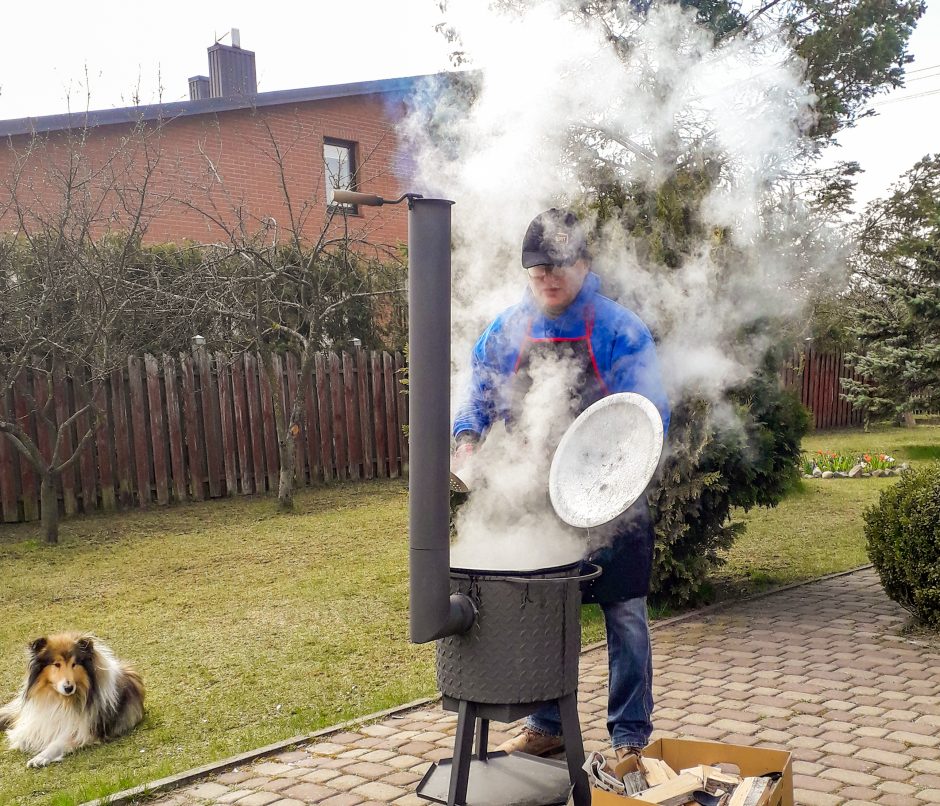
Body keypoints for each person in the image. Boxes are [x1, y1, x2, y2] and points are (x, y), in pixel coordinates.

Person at [451, 208, 670, 766]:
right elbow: (480, 387)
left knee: (624, 613)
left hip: (612, 490)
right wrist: (467, 441)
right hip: (539, 497)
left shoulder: (620, 330)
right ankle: (546, 724)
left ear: (583, 264)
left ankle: (629, 738)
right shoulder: (508, 329)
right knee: (546, 611)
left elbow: (647, 413)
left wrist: (616, 475)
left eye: (557, 267)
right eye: (536, 271)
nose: (547, 279)